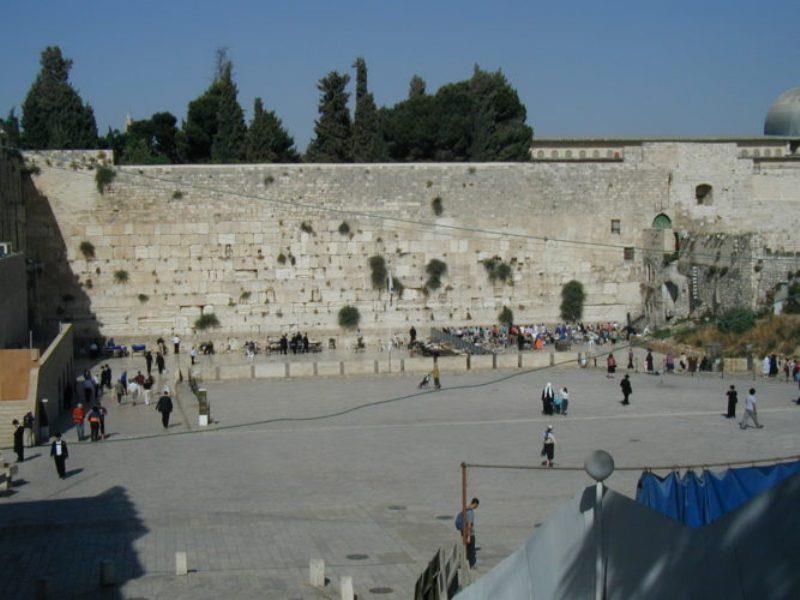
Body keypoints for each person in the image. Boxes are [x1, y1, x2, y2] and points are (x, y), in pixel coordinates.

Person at [455, 497, 480, 569]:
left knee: (466, 549)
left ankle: (464, 563)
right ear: (475, 504)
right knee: (471, 550)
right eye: (477, 505)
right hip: (469, 534)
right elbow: (469, 525)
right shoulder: (470, 512)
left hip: (464, 532)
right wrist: (469, 536)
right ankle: (470, 565)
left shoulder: (465, 510)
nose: (476, 507)